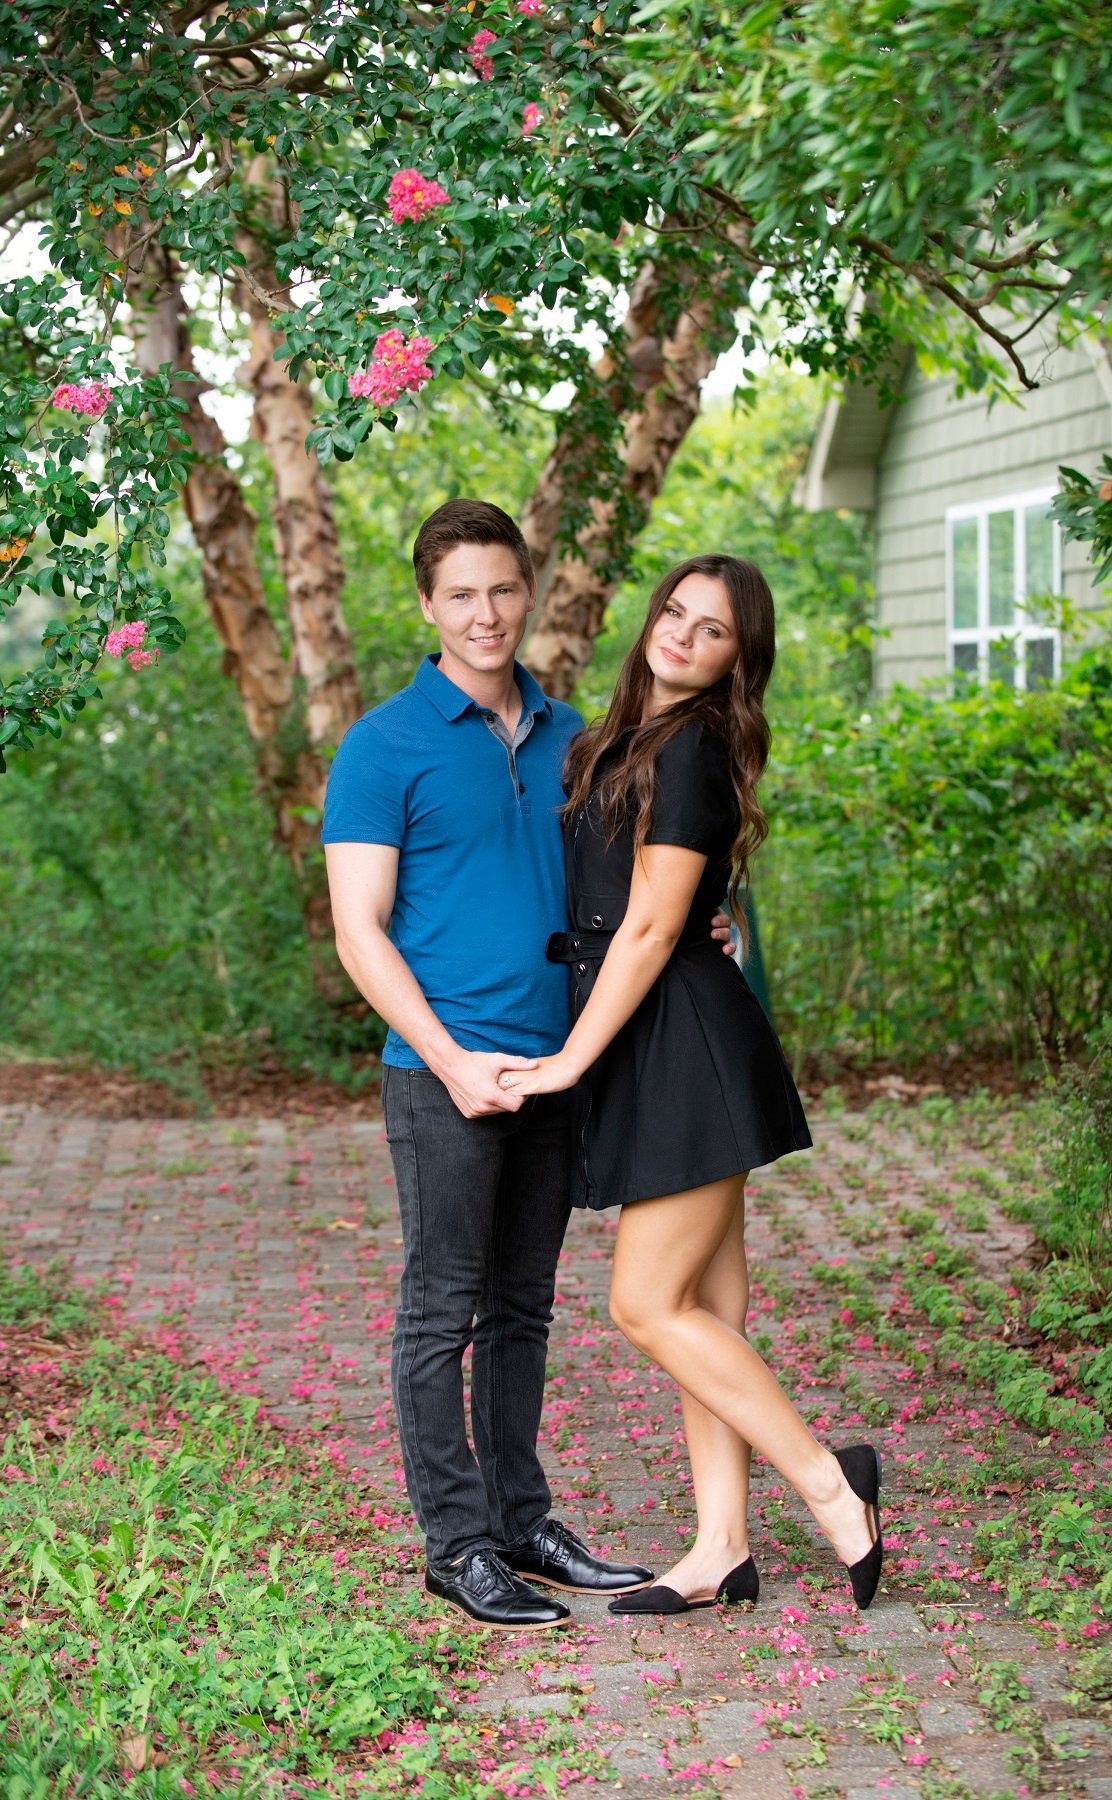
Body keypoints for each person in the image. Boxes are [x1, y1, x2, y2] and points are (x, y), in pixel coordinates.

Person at [321, 500, 730, 1632]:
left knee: (522, 1309)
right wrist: (451, 1060)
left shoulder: (578, 739)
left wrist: (714, 924)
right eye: (461, 594)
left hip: (558, 1065)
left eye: (502, 588)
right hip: (442, 1071)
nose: (485, 613)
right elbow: (359, 929)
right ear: (427, 606)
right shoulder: (382, 746)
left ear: (529, 593)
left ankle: (519, 1520)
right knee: (440, 1310)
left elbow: (645, 887)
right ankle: (457, 1547)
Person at [501, 555, 886, 1614]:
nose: (681, 633)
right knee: (709, 1307)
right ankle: (720, 1545)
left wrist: (570, 1061)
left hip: (683, 1046)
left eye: (711, 629)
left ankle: (834, 1485)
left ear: (735, 661)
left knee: (646, 1303)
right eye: (674, 611)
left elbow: (654, 925)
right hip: (660, 1038)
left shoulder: (695, 747)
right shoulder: (613, 740)